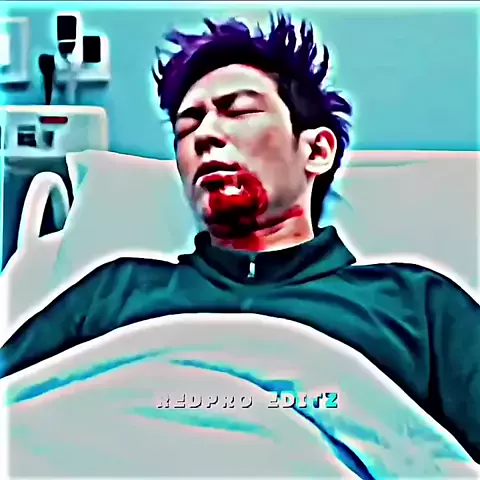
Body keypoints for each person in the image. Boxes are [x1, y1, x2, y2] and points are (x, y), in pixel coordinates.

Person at [1, 13, 479, 463]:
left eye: (239, 111)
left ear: (317, 150)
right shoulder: (114, 292)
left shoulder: (414, 304)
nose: (205, 135)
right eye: (187, 126)